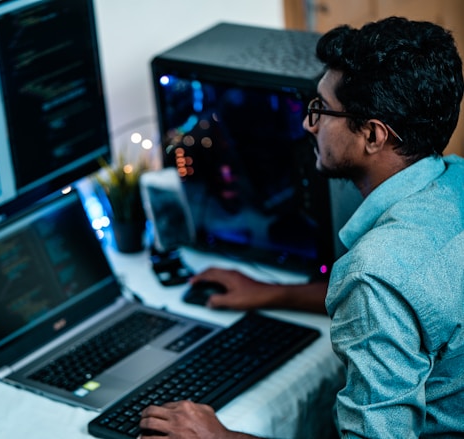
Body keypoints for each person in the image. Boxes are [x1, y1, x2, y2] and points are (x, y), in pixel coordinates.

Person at [138, 16, 464, 438]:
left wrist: (220, 437)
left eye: (321, 110)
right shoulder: (455, 178)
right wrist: (271, 292)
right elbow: (412, 301)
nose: (309, 124)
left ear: (372, 135)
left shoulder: (375, 273)